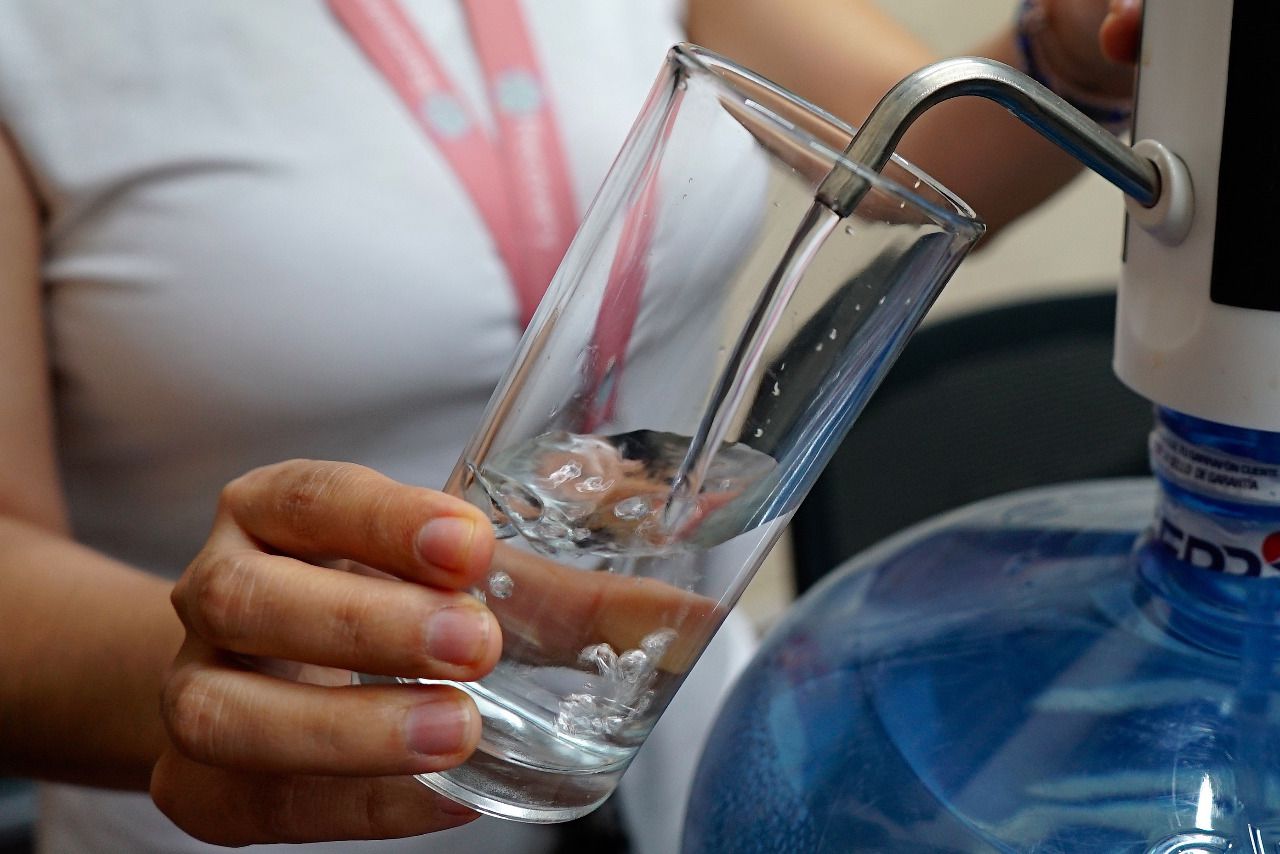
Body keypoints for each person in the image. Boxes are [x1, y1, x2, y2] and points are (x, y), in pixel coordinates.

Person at [0, 1, 1141, 852]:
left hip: (662, 759)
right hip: (247, 812)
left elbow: (903, 162)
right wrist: (245, 673)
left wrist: (1068, 52)